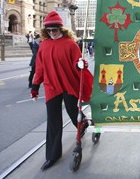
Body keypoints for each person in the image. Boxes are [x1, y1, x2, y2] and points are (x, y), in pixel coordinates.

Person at [30, 11, 93, 171]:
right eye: (49, 30)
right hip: (52, 86)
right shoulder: (44, 45)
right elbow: (40, 68)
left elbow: (79, 63)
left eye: (54, 29)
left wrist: (81, 65)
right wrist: (35, 87)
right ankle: (52, 155)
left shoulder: (70, 44)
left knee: (73, 111)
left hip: (68, 84)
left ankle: (83, 123)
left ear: (60, 28)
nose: (52, 32)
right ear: (46, 31)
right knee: (53, 120)